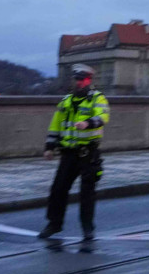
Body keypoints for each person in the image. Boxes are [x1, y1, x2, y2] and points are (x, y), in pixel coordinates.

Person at [38, 64, 110, 241]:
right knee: (58, 190)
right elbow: (55, 126)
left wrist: (88, 123)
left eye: (82, 79)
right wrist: (49, 148)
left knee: (87, 193)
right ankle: (54, 224)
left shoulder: (97, 98)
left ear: (89, 80)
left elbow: (103, 117)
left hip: (88, 153)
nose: (78, 83)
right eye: (76, 79)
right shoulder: (66, 101)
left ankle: (87, 228)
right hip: (68, 153)